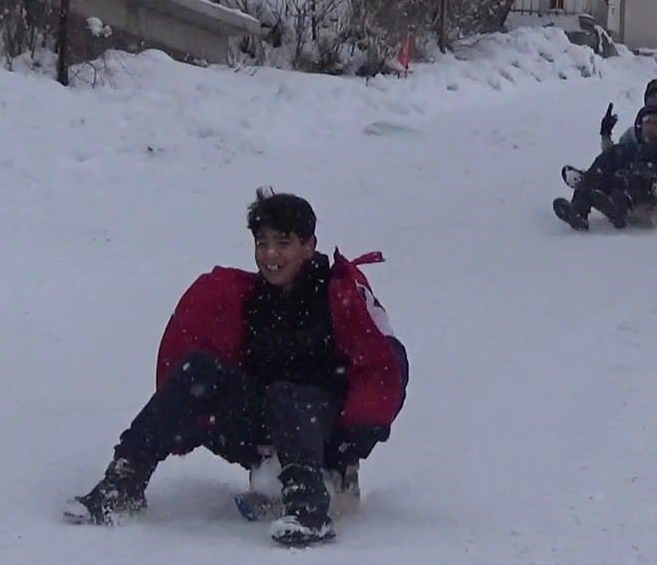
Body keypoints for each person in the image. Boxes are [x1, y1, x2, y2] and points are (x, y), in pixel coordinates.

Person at [64, 190, 408, 547]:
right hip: (265, 425)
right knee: (199, 370)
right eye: (263, 244)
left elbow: (381, 368)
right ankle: (124, 482)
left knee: (287, 394)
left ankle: (309, 509)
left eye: (283, 243)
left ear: (309, 246)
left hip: (323, 429)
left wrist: (349, 447)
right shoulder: (250, 298)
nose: (271, 255)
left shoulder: (339, 296)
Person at [553, 105, 657, 231]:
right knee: (610, 170)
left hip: (648, 195)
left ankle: (616, 208)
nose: (651, 127)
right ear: (640, 125)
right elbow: (607, 159)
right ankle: (579, 208)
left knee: (635, 180)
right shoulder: (630, 147)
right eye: (647, 122)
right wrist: (594, 175)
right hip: (620, 184)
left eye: (656, 124)